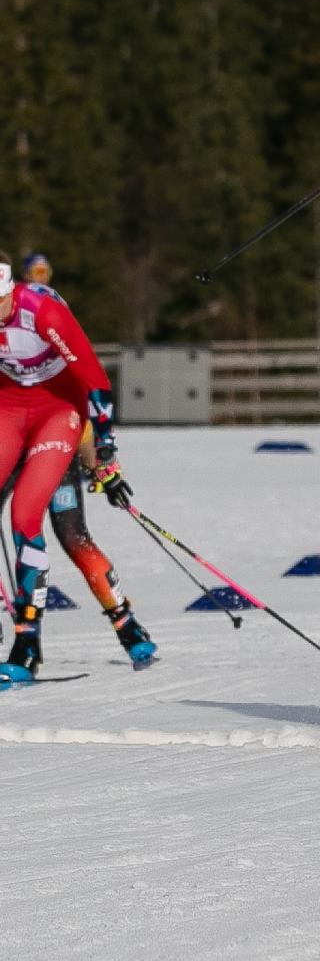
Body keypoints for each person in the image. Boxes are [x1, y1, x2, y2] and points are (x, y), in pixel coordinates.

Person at [0, 255, 157, 667]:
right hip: (10, 416)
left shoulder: (43, 312)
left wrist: (104, 453)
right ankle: (17, 622)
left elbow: (96, 382)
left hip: (59, 417)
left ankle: (121, 623)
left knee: (61, 530)